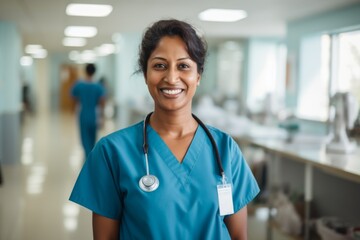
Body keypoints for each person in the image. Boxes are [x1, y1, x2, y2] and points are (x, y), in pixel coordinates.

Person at [69, 19, 259, 239]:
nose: (171, 77)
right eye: (159, 65)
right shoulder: (112, 152)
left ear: (197, 76)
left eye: (183, 66)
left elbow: (239, 236)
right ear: (146, 74)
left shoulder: (225, 150)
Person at [71, 63, 106, 158]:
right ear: (94, 72)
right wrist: (102, 117)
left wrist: (77, 104)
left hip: (83, 114)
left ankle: (87, 157)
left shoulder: (79, 84)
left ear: (85, 71)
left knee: (84, 139)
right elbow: (102, 101)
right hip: (94, 115)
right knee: (93, 138)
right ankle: (90, 156)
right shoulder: (98, 86)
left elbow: (73, 97)